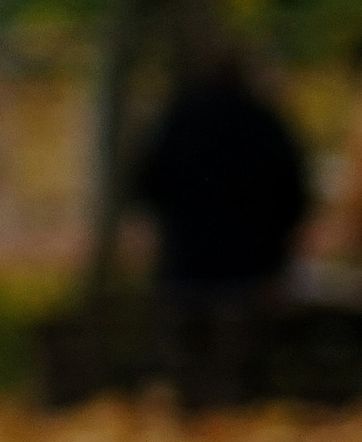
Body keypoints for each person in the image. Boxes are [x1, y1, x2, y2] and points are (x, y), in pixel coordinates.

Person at [128, 47, 310, 407]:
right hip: (248, 268)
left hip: (187, 264)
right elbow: (293, 194)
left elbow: (147, 184)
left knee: (188, 359)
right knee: (238, 361)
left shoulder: (177, 121)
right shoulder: (264, 123)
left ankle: (193, 410)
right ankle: (235, 409)